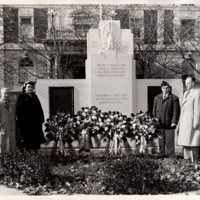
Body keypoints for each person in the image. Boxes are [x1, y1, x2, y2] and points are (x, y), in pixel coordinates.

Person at [152, 81, 180, 157]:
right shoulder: (157, 98)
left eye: (167, 88)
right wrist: (154, 121)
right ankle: (161, 154)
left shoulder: (174, 98)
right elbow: (154, 110)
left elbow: (176, 112)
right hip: (159, 123)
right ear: (161, 89)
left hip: (169, 123)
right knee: (161, 140)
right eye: (164, 88)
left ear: (169, 88)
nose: (165, 89)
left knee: (169, 141)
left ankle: (170, 155)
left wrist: (174, 122)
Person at [16, 81, 46, 150]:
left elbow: (39, 109)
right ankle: (28, 156)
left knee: (36, 141)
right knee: (27, 141)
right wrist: (21, 122)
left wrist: (41, 119)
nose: (30, 88)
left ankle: (35, 155)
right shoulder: (21, 97)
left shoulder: (35, 97)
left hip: (35, 123)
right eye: (28, 87)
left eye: (31, 87)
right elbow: (19, 110)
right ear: (25, 88)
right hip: (26, 123)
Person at [177, 75, 200, 162]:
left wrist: (196, 122)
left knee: (193, 144)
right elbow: (183, 110)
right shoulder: (186, 93)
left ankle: (194, 164)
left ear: (193, 83)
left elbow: (197, 108)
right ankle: (187, 165)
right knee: (185, 144)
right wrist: (179, 124)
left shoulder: (197, 93)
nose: (187, 85)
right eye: (186, 83)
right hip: (184, 123)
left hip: (192, 123)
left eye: (189, 83)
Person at [0, 88, 16, 153]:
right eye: (5, 93)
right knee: (2, 148)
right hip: (3, 129)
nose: (6, 95)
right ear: (1, 94)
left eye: (8, 93)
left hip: (11, 130)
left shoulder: (12, 104)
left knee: (11, 149)